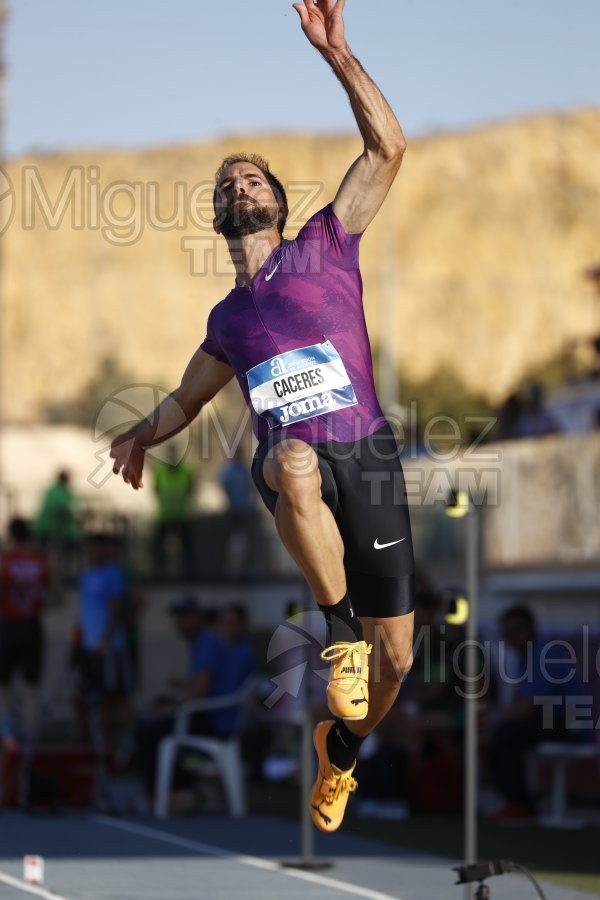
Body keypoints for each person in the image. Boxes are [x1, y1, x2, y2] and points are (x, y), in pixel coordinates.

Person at [111, 0, 414, 832]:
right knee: (289, 464)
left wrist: (338, 54)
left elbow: (388, 148)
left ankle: (341, 752)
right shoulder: (227, 322)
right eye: (225, 184)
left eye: (251, 179)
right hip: (300, 468)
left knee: (398, 663)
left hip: (372, 460)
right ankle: (338, 628)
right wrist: (143, 432)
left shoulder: (327, 242)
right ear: (219, 217)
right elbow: (185, 399)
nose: (237, 186)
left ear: (278, 203)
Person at [484, 605, 589, 822]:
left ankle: (520, 804)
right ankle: (519, 801)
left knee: (505, 734)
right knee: (507, 732)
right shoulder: (529, 657)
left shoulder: (544, 654)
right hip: (557, 718)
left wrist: (493, 727)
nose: (511, 638)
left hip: (571, 721)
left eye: (516, 631)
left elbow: (528, 705)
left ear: (531, 629)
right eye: (507, 633)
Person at [0, 518, 55, 806]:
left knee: (4, 686)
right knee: (32, 689)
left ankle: (8, 735)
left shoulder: (7, 561)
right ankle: (30, 741)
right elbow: (54, 596)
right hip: (32, 626)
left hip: (9, 626)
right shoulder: (41, 562)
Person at [152, 444, 197, 579]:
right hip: (165, 516)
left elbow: (191, 490)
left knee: (187, 549)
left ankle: (188, 575)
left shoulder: (186, 472)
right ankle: (159, 574)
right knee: (159, 549)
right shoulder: (160, 472)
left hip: (181, 516)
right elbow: (156, 490)